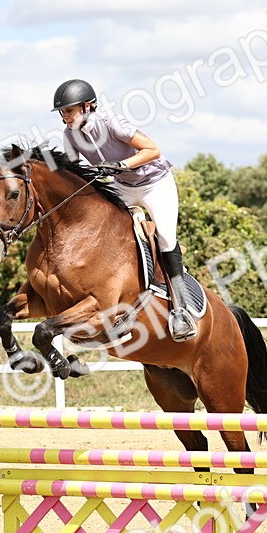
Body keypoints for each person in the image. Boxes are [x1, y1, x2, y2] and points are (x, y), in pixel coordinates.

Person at [52, 78, 197, 342]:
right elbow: (74, 173)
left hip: (155, 183)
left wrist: (121, 164)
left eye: (69, 110)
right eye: (63, 112)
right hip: (122, 187)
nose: (65, 117)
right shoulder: (70, 135)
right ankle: (120, 308)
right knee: (108, 235)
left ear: (87, 106)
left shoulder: (111, 122)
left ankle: (181, 310)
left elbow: (152, 150)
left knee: (165, 238)